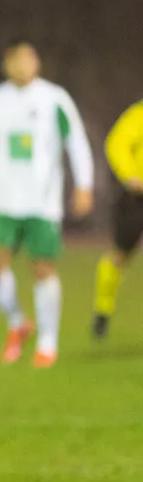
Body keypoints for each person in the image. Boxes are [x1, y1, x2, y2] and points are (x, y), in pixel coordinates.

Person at [0, 40, 93, 368]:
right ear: (6, 65)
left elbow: (75, 140)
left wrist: (84, 185)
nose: (24, 64)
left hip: (42, 200)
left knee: (43, 269)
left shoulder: (54, 98)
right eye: (17, 59)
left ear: (37, 63)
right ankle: (18, 322)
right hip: (2, 199)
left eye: (29, 58)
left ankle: (48, 341)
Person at [91, 100, 143, 339]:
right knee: (119, 255)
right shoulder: (139, 114)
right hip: (136, 198)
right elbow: (117, 143)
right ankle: (103, 309)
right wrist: (130, 175)